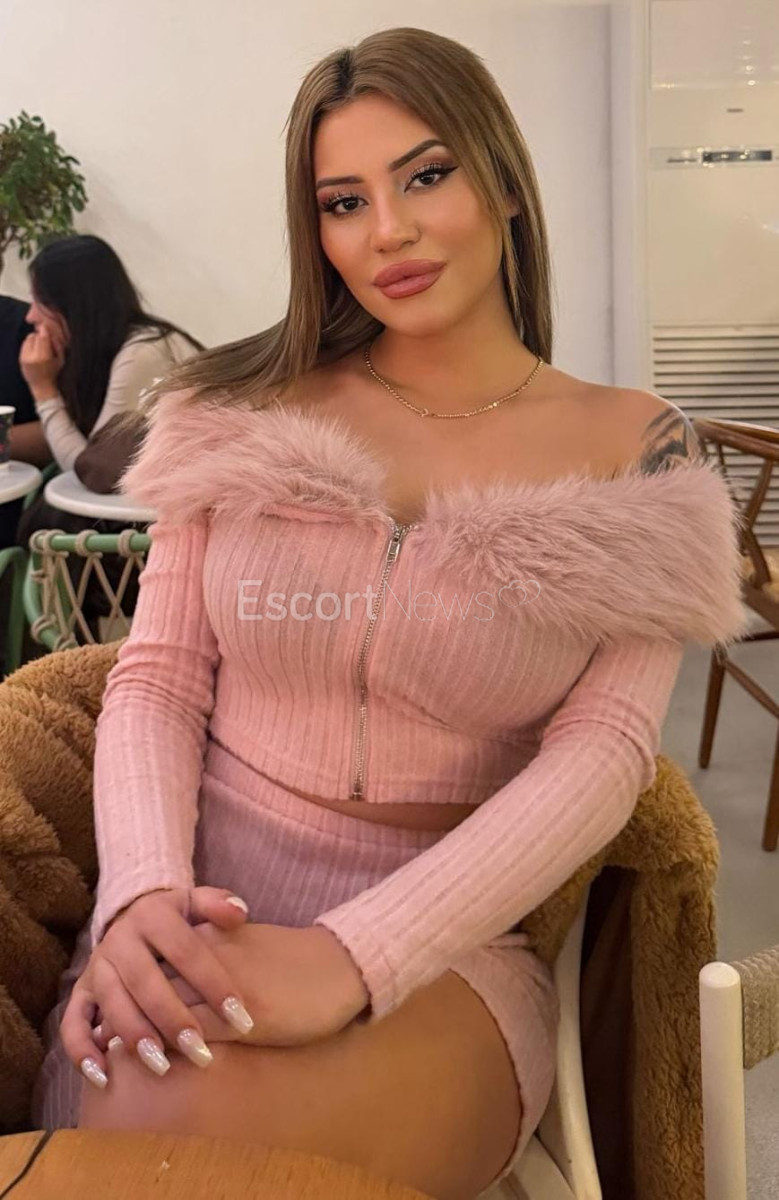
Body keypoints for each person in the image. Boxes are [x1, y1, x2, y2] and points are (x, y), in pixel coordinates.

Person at [30, 27, 747, 1200]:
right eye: (343, 201)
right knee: (154, 1114)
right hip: (190, 898)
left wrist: (352, 957)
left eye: (425, 175)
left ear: (502, 181)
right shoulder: (237, 405)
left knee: (224, 1145)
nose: (387, 232)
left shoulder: (638, 449)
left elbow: (602, 755)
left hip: (445, 946)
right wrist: (141, 897)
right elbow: (155, 678)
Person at [14, 235, 204, 635]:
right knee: (45, 514)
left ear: (75, 304)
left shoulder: (144, 352)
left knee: (49, 522)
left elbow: (93, 470)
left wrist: (42, 389)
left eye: (40, 301)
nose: (30, 316)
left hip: (184, 524)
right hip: (144, 510)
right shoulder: (109, 350)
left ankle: (65, 643)